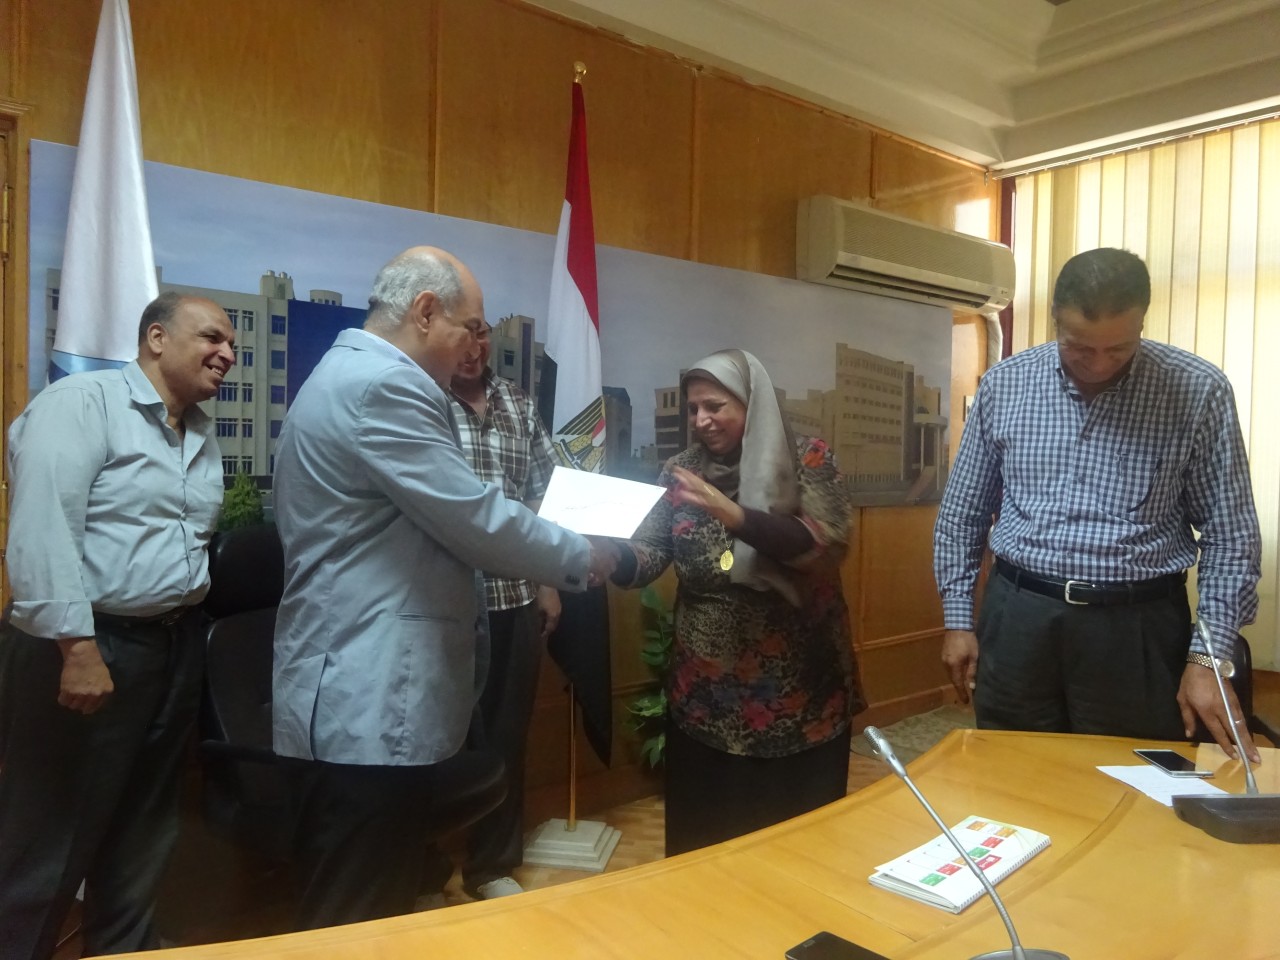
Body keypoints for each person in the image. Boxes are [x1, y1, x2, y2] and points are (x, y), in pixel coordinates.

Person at [271, 246, 616, 929]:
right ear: (426, 311)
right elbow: (474, 517)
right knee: (357, 912)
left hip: (356, 682)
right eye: (469, 326)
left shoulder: (347, 372)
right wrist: (582, 556)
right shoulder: (385, 386)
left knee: (375, 896)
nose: (473, 344)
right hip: (367, 689)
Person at [934, 247, 1262, 761]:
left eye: (1119, 348)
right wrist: (958, 619)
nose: (1099, 364)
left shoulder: (1198, 391)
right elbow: (963, 514)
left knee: (1131, 773)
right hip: (1019, 616)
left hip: (1135, 626)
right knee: (1014, 768)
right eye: (1079, 347)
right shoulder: (1007, 384)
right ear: (1055, 320)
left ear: (1142, 323)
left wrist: (1207, 657)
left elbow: (1232, 536)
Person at [0, 292, 235, 960]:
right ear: (156, 338)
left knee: (144, 830)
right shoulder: (82, 403)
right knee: (50, 835)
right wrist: (77, 648)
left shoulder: (199, 430)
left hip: (173, 645)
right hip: (85, 646)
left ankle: (123, 949)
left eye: (232, 346)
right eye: (212, 338)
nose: (226, 354)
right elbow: (44, 529)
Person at [608, 348, 862, 856]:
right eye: (693, 408)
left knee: (795, 848)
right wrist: (606, 558)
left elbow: (826, 541)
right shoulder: (681, 470)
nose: (701, 420)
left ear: (751, 402)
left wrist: (737, 515)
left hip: (798, 696)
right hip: (705, 698)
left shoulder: (807, 457)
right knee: (706, 845)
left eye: (715, 406)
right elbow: (652, 550)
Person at [435, 324, 561, 901]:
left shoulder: (516, 401)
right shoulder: (420, 399)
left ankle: (491, 866)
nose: (473, 345)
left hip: (514, 599)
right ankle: (424, 869)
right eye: (461, 331)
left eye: (481, 332)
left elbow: (543, 494)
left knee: (508, 736)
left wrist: (547, 580)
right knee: (431, 742)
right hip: (442, 607)